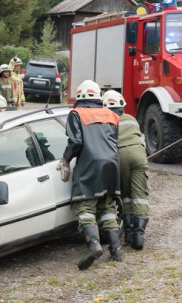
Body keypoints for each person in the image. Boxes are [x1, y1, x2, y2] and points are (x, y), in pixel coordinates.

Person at [56, 80, 122, 270]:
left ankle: (93, 246)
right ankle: (116, 249)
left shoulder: (77, 114)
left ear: (80, 97)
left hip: (90, 165)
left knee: (86, 208)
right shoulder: (111, 114)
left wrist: (66, 159)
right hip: (111, 164)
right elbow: (112, 141)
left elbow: (75, 142)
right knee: (107, 207)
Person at [102, 90, 149, 249]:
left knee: (126, 194)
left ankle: (128, 233)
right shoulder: (131, 119)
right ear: (122, 105)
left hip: (120, 157)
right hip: (138, 155)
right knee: (140, 195)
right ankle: (138, 236)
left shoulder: (106, 121)